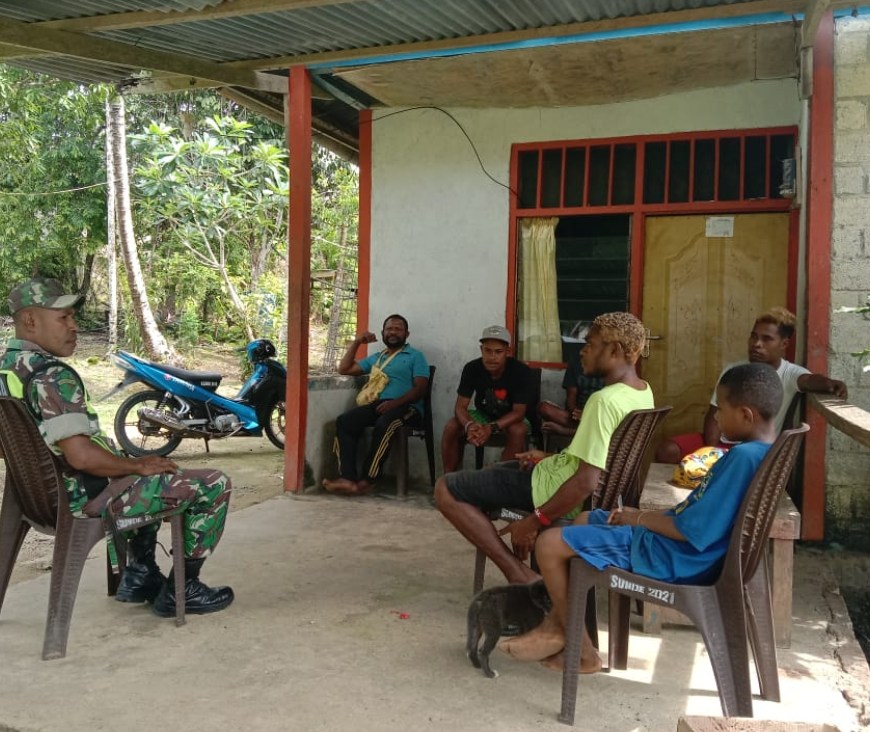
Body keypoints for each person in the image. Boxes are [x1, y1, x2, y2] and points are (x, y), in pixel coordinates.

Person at [499, 362, 782, 673]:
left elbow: (690, 530)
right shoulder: (763, 451)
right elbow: (695, 517)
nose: (716, 417)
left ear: (746, 415)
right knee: (586, 519)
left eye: (721, 410)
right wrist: (638, 516)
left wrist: (639, 518)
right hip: (685, 551)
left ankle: (582, 652)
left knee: (549, 543)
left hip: (675, 557)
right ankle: (563, 626)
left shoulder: (742, 457)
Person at [0, 277, 234, 617]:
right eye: (63, 317)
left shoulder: (7, 371)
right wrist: (136, 466)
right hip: (87, 499)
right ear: (30, 320)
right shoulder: (52, 376)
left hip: (41, 500)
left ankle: (140, 574)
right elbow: (81, 456)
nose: (74, 326)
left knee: (140, 471)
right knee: (212, 483)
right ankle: (184, 588)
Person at [434, 312, 654, 585]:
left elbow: (586, 481)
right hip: (559, 476)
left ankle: (519, 574)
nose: (582, 351)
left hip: (552, 491)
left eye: (590, 344)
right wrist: (548, 457)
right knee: (493, 472)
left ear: (614, 351)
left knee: (446, 489)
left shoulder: (602, 401)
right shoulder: (642, 391)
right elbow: (600, 460)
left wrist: (534, 521)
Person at [655, 307, 847, 464]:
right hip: (722, 444)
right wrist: (712, 453)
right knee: (668, 450)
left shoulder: (790, 373)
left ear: (784, 344)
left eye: (766, 339)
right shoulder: (734, 370)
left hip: (755, 450)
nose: (756, 344)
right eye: (754, 336)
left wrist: (831, 384)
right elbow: (714, 415)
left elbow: (809, 380)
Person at [322, 314, 429, 496]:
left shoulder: (416, 356)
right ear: (382, 332)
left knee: (385, 423)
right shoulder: (378, 358)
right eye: (389, 329)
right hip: (380, 405)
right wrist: (358, 342)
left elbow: (420, 389)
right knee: (345, 421)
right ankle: (347, 478)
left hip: (408, 408)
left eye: (398, 329)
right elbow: (344, 369)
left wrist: (394, 403)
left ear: (407, 334)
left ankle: (368, 480)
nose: (393, 332)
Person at [440, 325, 533, 473]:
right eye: (488, 351)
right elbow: (460, 407)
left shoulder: (521, 371)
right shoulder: (472, 368)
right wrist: (469, 425)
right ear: (481, 350)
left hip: (511, 417)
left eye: (498, 352)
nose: (492, 357)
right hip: (483, 414)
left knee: (518, 430)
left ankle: (501, 478)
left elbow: (518, 413)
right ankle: (448, 478)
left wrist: (491, 427)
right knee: (451, 426)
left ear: (508, 352)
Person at [538, 349, 604, 438]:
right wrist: (577, 413)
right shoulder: (576, 364)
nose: (582, 351)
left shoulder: (611, 368)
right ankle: (582, 429)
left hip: (601, 415)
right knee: (544, 408)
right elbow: (570, 399)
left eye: (590, 345)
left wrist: (588, 415)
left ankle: (570, 431)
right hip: (577, 415)